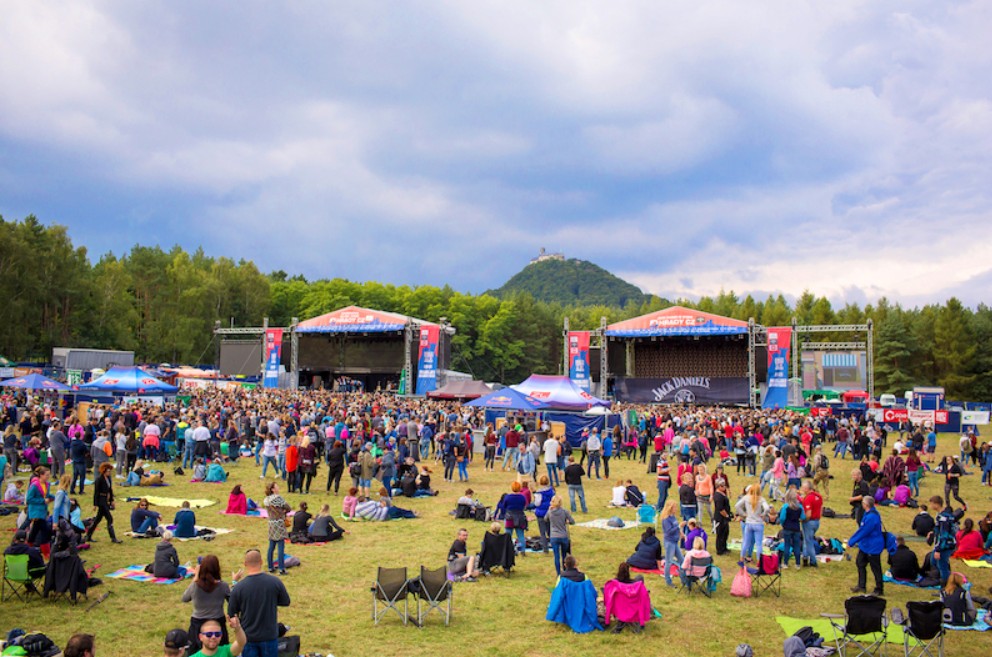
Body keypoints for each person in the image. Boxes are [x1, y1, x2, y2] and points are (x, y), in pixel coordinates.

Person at [228, 548, 291, 657]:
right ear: (261, 562)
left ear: (245, 563)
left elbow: (231, 612)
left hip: (248, 637)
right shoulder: (274, 582)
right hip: (269, 635)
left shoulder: (239, 587)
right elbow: (286, 601)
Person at [184, 554, 233, 653]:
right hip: (218, 623)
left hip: (197, 623)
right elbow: (232, 601)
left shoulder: (195, 586)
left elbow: (185, 598)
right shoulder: (223, 586)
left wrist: (195, 578)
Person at [848, 496, 885, 596]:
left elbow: (863, 531)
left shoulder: (871, 517)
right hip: (865, 545)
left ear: (866, 505)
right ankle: (861, 585)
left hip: (873, 546)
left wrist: (851, 542)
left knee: (875, 568)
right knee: (860, 563)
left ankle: (879, 588)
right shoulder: (869, 513)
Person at [734, 484, 771, 562]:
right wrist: (763, 514)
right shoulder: (761, 499)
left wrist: (743, 514)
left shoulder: (746, 498)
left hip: (749, 522)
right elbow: (767, 508)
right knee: (758, 544)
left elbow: (737, 506)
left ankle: (741, 558)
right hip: (758, 523)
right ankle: (759, 561)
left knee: (746, 542)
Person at [87, 462, 122, 543]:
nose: (109, 473)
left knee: (97, 520)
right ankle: (113, 538)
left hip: (106, 500)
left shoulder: (108, 479)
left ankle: (88, 535)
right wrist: (95, 504)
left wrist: (112, 500)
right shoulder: (99, 479)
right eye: (108, 471)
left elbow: (110, 490)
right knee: (109, 518)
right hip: (101, 501)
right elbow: (96, 492)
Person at [928, 495, 959, 584]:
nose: (930, 506)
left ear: (936, 504)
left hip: (945, 545)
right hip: (942, 544)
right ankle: (949, 579)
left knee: (942, 566)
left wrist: (939, 550)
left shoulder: (943, 518)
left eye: (932, 504)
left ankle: (947, 585)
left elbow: (944, 535)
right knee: (933, 561)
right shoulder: (942, 515)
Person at [262, 481, 291, 575]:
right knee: (281, 546)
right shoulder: (278, 498)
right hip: (279, 523)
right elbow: (288, 507)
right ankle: (282, 569)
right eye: (277, 487)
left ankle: (270, 567)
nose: (278, 488)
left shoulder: (266, 500)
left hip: (271, 523)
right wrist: (283, 511)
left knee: (271, 546)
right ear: (273, 489)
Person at [777, 489, 806, 570]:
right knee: (796, 545)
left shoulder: (785, 506)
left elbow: (782, 518)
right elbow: (803, 517)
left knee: (787, 545)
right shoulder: (799, 507)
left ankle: (785, 563)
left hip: (787, 528)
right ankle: (797, 564)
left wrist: (783, 524)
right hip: (796, 528)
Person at [547, 494, 575, 575]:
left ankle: (558, 574)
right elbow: (572, 521)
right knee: (564, 555)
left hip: (554, 536)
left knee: (556, 556)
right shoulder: (564, 511)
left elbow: (545, 519)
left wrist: (549, 510)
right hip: (563, 536)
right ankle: (566, 572)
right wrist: (567, 521)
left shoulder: (550, 512)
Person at [799, 481, 823, 568]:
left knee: (809, 542)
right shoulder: (818, 496)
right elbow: (821, 509)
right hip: (817, 521)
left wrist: (803, 520)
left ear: (806, 488)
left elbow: (808, 514)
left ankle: (813, 561)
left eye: (803, 487)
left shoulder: (808, 499)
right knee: (806, 540)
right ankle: (805, 557)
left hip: (809, 522)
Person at [501, 480, 528, 554]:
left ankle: (507, 551)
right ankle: (523, 551)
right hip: (520, 517)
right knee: (521, 535)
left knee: (508, 535)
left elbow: (504, 506)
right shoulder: (522, 497)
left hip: (510, 517)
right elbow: (525, 506)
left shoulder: (508, 497)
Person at [533, 474, 555, 553]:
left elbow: (537, 504)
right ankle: (554, 546)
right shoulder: (552, 491)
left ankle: (545, 549)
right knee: (550, 531)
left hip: (541, 513)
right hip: (550, 512)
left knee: (542, 532)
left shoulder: (539, 493)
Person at [713, 481, 731, 555]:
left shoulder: (722, 494)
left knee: (725, 533)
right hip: (720, 518)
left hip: (724, 518)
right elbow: (720, 509)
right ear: (718, 486)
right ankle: (720, 550)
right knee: (720, 534)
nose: (724, 487)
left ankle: (724, 547)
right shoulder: (718, 496)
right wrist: (726, 515)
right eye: (722, 486)